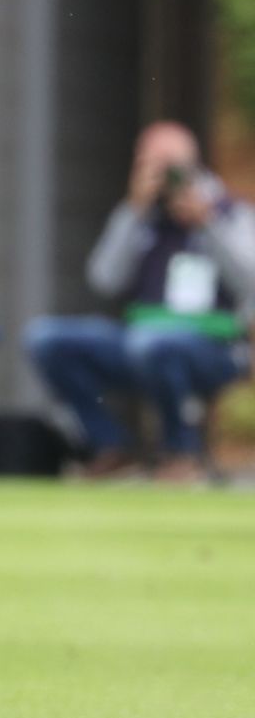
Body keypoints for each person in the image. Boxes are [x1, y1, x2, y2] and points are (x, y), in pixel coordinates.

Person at [25, 122, 255, 482]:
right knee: (48, 339)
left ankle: (182, 454)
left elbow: (251, 279)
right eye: (151, 164)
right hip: (141, 340)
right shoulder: (141, 218)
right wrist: (134, 211)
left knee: (155, 344)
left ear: (193, 164)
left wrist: (206, 223)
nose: (164, 176)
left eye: (170, 166)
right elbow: (103, 278)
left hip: (214, 347)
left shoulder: (229, 211)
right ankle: (110, 446)